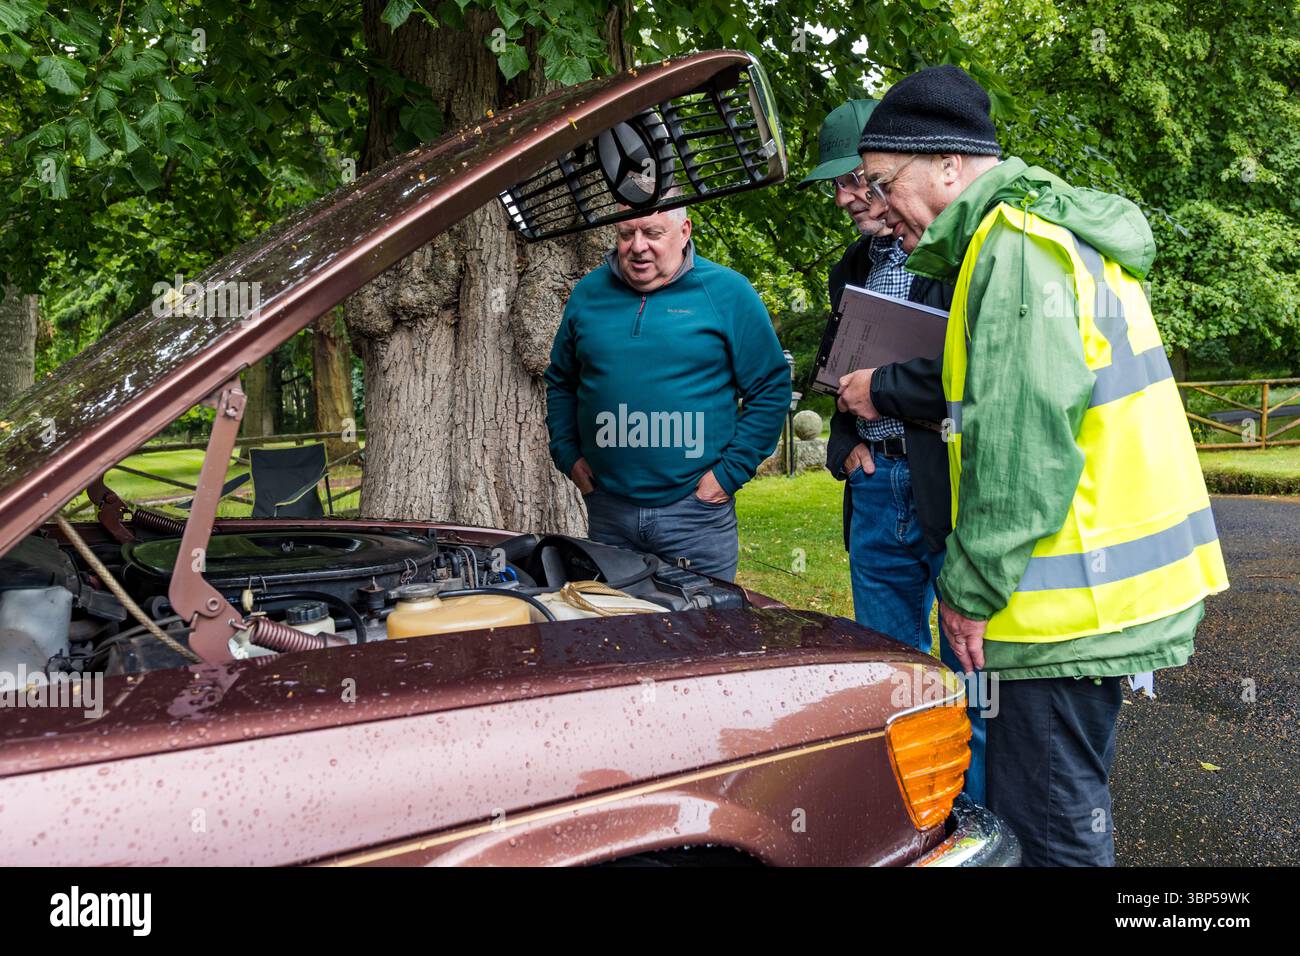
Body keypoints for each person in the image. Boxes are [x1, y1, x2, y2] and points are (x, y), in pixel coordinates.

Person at [847, 65, 1229, 865]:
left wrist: (968, 590)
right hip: (1084, 601)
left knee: (1051, 835)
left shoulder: (1012, 250)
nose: (878, 206)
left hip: (1060, 614)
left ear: (949, 167)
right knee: (1058, 814)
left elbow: (1021, 447)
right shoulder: (1035, 234)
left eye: (885, 183)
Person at [800, 99, 985, 803]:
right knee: (889, 672)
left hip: (947, 485)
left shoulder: (965, 250)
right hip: (876, 491)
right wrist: (843, 442)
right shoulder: (850, 265)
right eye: (838, 187)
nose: (847, 198)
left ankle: (975, 824)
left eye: (857, 180)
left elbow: (974, 376)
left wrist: (886, 389)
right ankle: (909, 822)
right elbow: (837, 369)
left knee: (967, 674)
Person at [544, 202, 790, 582]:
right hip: (609, 511)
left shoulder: (727, 292)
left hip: (695, 515)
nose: (638, 246)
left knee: (702, 636)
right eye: (627, 234)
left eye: (652, 233)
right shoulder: (589, 293)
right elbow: (561, 380)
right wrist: (568, 454)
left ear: (685, 231)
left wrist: (726, 477)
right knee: (615, 635)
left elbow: (771, 388)